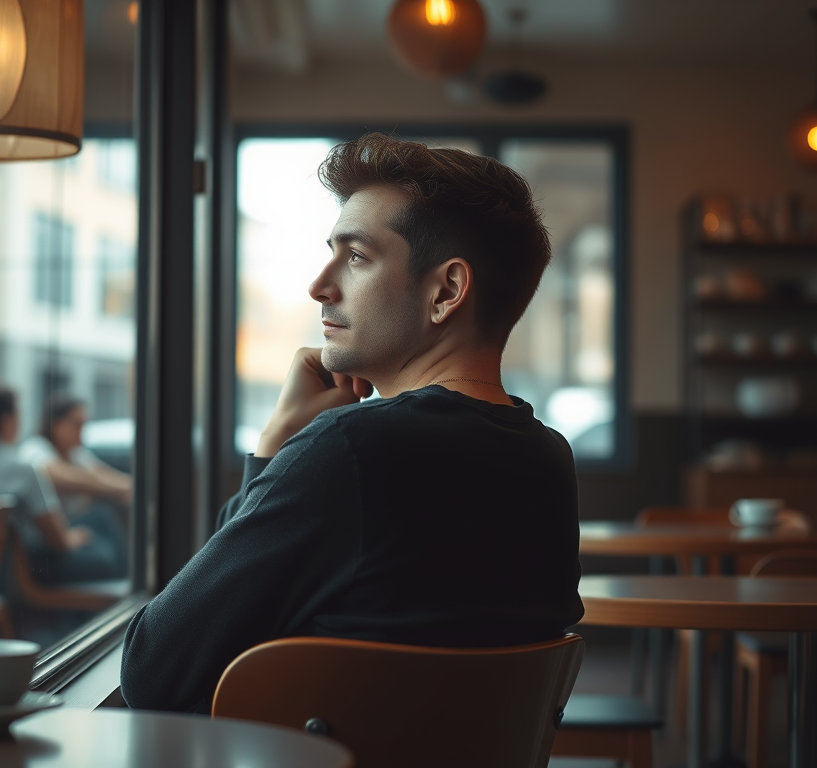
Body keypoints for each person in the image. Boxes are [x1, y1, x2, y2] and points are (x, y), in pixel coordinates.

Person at [120, 133, 584, 712]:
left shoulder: (352, 450)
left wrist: (276, 450)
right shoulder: (549, 457)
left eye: (357, 256)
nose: (319, 285)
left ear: (446, 291)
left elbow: (155, 671)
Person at [0, 381, 125, 586]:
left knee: (100, 523)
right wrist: (75, 538)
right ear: (6, 421)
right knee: (105, 555)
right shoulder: (21, 468)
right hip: (9, 578)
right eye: (18, 415)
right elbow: (59, 541)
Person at [19, 395, 132, 522]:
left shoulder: (75, 453)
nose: (82, 431)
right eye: (77, 424)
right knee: (102, 517)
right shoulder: (35, 447)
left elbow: (101, 473)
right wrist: (124, 488)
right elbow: (68, 477)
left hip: (75, 524)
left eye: (83, 425)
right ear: (57, 425)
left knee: (104, 515)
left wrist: (130, 486)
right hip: (50, 535)